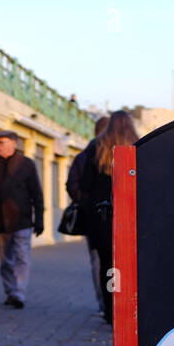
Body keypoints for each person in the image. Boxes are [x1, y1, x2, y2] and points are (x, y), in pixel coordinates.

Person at [79, 111, 138, 325]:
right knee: (129, 265)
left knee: (106, 265)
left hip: (101, 216)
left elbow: (85, 183)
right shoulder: (138, 145)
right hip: (130, 215)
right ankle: (127, 309)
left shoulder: (97, 146)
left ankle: (110, 310)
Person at [0, 130, 43, 309]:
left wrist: (39, 218)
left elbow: (36, 193)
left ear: (14, 143)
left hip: (22, 220)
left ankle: (19, 293)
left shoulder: (26, 164)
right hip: (0, 221)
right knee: (5, 260)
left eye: (1, 142)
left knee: (22, 257)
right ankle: (10, 291)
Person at [66, 116, 110, 314]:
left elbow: (73, 185)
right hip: (105, 218)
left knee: (97, 261)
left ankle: (104, 304)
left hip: (92, 218)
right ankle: (112, 305)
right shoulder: (106, 153)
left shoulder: (84, 156)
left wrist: (86, 203)